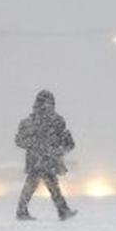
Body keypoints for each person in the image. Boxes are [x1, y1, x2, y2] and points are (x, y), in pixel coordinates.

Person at [14, 90, 77, 221]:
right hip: (46, 159)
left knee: (36, 186)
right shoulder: (55, 121)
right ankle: (62, 210)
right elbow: (67, 142)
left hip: (38, 159)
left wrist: (36, 145)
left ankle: (23, 211)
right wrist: (54, 148)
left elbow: (20, 141)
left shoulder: (31, 122)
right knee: (49, 185)